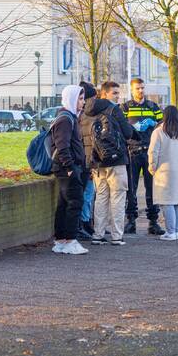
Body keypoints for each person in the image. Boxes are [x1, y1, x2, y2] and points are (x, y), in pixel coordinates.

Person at [82, 81, 139, 246]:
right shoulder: (114, 109)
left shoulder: (85, 111)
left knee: (100, 197)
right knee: (118, 196)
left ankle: (98, 235)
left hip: (96, 161)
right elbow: (128, 132)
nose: (118, 96)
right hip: (116, 159)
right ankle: (116, 236)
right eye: (114, 93)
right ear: (104, 94)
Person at [121, 78, 164, 235]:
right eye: (138, 88)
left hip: (149, 151)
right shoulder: (125, 107)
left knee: (152, 188)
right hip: (132, 151)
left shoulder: (152, 107)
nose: (141, 91)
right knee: (131, 188)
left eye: (142, 88)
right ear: (132, 90)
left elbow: (162, 123)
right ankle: (131, 220)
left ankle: (153, 222)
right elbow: (120, 126)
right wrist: (132, 127)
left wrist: (155, 125)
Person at [51, 85, 89, 255]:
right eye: (80, 99)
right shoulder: (65, 119)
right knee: (75, 202)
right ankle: (70, 240)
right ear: (72, 99)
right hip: (67, 168)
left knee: (64, 204)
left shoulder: (68, 117)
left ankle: (61, 240)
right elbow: (62, 146)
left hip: (66, 167)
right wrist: (70, 168)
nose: (83, 102)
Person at [149, 104, 178, 241]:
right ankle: (177, 231)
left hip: (164, 171)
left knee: (167, 201)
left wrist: (152, 167)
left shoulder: (159, 131)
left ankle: (170, 231)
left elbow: (153, 151)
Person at [77, 81, 98, 241]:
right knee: (87, 194)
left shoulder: (83, 115)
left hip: (85, 161)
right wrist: (91, 164)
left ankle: (85, 223)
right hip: (85, 162)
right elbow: (88, 142)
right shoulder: (87, 117)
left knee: (88, 194)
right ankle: (84, 223)